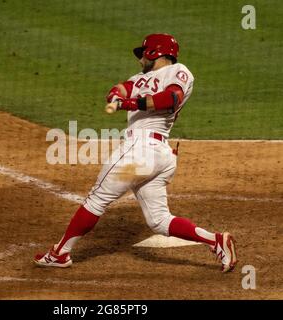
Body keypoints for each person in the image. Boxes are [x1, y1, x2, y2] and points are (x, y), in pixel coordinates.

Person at [34, 34, 237, 272]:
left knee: (96, 199)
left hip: (141, 152)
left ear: (154, 53)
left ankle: (60, 253)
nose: (140, 59)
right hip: (157, 156)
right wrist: (116, 95)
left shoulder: (179, 72)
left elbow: (171, 98)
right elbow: (122, 88)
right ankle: (216, 241)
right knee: (159, 220)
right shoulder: (140, 79)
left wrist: (128, 104)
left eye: (143, 54)